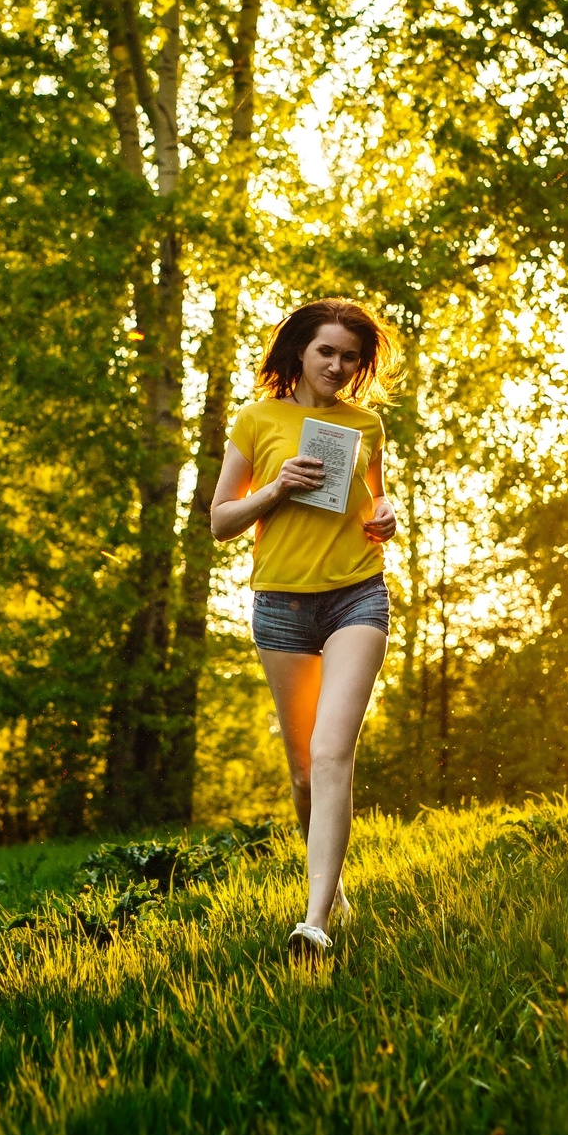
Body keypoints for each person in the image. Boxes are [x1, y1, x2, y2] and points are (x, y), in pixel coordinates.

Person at [210, 298, 398, 960]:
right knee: (301, 771)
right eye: (327, 351)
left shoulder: (366, 422)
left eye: (351, 356)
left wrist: (387, 514)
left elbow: (374, 495)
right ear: (299, 351)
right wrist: (277, 488)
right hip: (283, 604)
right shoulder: (257, 419)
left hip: (357, 594)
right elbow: (220, 520)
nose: (339, 366)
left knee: (330, 751)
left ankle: (316, 920)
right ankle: (333, 883)